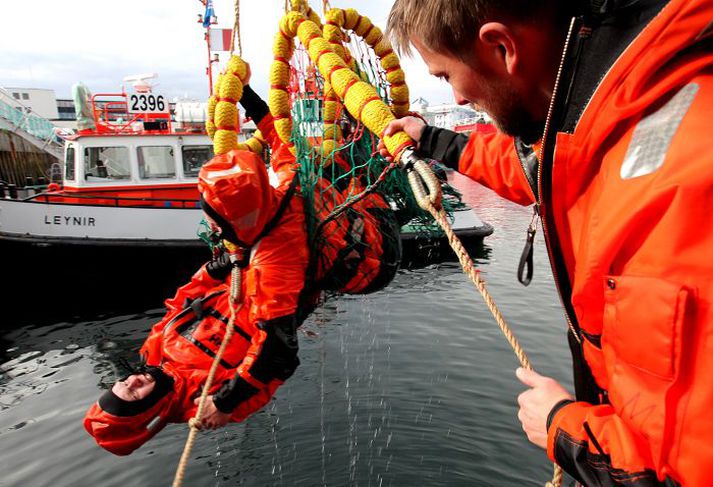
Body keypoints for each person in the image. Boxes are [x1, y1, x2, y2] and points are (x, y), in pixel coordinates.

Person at [381, 0, 713, 485]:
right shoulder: (613, 121)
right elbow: (545, 167)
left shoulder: (680, 190)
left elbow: (685, 471)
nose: (459, 97)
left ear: (501, 47)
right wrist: (431, 139)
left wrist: (561, 427)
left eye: (447, 76)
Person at [84, 68, 402, 455]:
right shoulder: (281, 193)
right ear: (146, 413)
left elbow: (277, 350)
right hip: (368, 253)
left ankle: (373, 169)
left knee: (360, 177)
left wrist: (225, 402)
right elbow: (189, 306)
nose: (130, 382)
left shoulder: (275, 258)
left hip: (374, 249)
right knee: (354, 170)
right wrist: (249, 98)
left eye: (125, 386)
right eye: (128, 392)